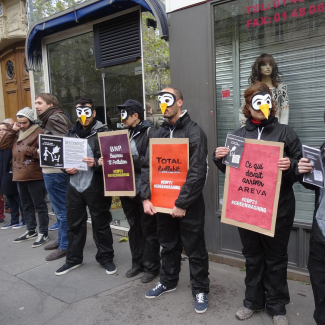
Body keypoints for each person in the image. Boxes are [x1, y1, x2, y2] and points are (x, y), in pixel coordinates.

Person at [214, 81, 301, 325]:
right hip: (248, 208)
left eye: (266, 101)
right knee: (252, 257)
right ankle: (252, 301)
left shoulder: (285, 133)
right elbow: (232, 173)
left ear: (271, 105)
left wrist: (291, 165)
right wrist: (218, 158)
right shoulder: (239, 136)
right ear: (248, 106)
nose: (262, 106)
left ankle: (277, 307)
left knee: (276, 259)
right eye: (256, 102)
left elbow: (302, 167)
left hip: (278, 210)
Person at [141, 87, 210, 314]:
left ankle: (200, 289)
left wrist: (182, 203)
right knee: (168, 244)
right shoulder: (156, 133)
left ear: (179, 102)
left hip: (187, 205)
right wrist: (146, 198)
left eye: (168, 100)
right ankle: (168, 281)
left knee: (195, 248)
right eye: (160, 101)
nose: (164, 105)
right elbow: (147, 167)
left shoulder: (194, 132)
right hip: (161, 202)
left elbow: (198, 171)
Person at [55, 98, 116, 276]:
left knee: (101, 223)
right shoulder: (70, 132)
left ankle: (106, 258)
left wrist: (96, 163)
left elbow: (114, 160)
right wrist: (65, 168)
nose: (84, 116)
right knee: (74, 224)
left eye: (87, 111)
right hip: (74, 186)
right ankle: (73, 259)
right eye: (80, 111)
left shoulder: (104, 133)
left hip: (96, 185)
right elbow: (61, 159)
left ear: (94, 113)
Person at [114, 99, 160, 283]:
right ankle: (137, 263)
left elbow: (152, 160)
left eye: (125, 114)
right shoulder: (124, 133)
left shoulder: (150, 132)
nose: (122, 119)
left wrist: (129, 158)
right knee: (134, 227)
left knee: (149, 229)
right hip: (126, 188)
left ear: (135, 115)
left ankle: (152, 266)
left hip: (144, 188)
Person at [0, 107, 49, 247]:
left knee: (39, 205)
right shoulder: (17, 133)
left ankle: (43, 232)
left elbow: (43, 152)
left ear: (31, 121)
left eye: (24, 122)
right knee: (26, 205)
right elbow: (3, 145)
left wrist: (25, 149)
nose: (21, 125)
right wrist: (12, 130)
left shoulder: (38, 132)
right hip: (19, 174)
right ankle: (31, 230)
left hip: (34, 174)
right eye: (19, 122)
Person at [36, 93, 72, 261]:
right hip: (54, 171)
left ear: (50, 105)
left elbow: (64, 143)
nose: (36, 106)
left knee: (61, 210)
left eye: (39, 103)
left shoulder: (54, 119)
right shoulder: (54, 117)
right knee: (59, 210)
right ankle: (61, 241)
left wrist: (42, 151)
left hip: (56, 172)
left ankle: (65, 245)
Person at [297, 141, 325, 325]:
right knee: (320, 285)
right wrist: (302, 172)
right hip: (321, 233)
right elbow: (316, 185)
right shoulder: (323, 149)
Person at [239, 53, 289, 127]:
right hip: (256, 131)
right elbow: (243, 110)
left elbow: (284, 111)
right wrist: (245, 127)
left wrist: (281, 131)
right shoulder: (253, 89)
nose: (268, 67)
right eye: (264, 65)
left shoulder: (281, 88)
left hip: (274, 130)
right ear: (258, 68)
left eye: (270, 64)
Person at [0, 122, 25, 230]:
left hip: (11, 172)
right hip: (3, 173)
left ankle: (24, 220)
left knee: (17, 197)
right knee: (10, 197)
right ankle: (14, 220)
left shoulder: (12, 141)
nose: (1, 132)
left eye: (3, 130)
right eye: (0, 130)